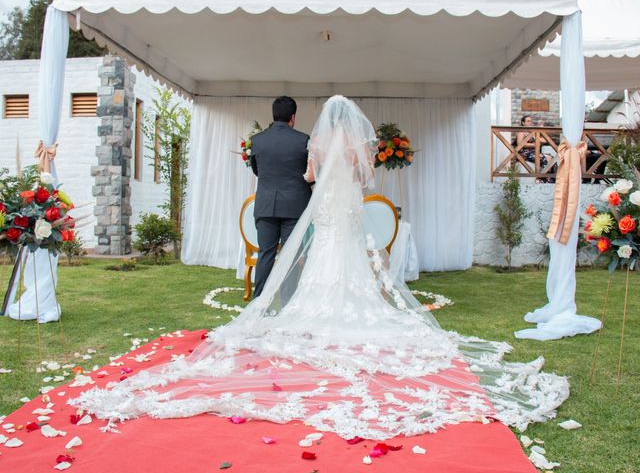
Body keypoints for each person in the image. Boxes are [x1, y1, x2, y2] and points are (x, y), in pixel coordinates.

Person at [71, 96, 569, 440]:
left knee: (297, 255)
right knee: (341, 252)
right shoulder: (341, 143)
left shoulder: (301, 142)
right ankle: (342, 302)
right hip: (344, 205)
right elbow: (366, 173)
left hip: (308, 205)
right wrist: (353, 173)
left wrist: (315, 176)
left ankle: (280, 301)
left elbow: (307, 174)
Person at [250, 96, 311, 298]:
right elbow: (308, 174)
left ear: (273, 115)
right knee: (290, 256)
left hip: (266, 204)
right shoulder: (303, 140)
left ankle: (258, 304)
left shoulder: (257, 140)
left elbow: (258, 171)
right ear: (292, 117)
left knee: (265, 254)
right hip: (294, 207)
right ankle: (287, 304)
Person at [516, 115, 553, 182]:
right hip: (525, 153)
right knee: (545, 158)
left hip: (534, 153)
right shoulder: (522, 132)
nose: (530, 123)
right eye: (528, 121)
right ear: (523, 123)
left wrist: (542, 131)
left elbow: (544, 140)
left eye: (531, 121)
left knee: (550, 158)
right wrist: (533, 145)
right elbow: (520, 144)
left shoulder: (532, 133)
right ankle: (541, 178)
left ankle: (546, 179)